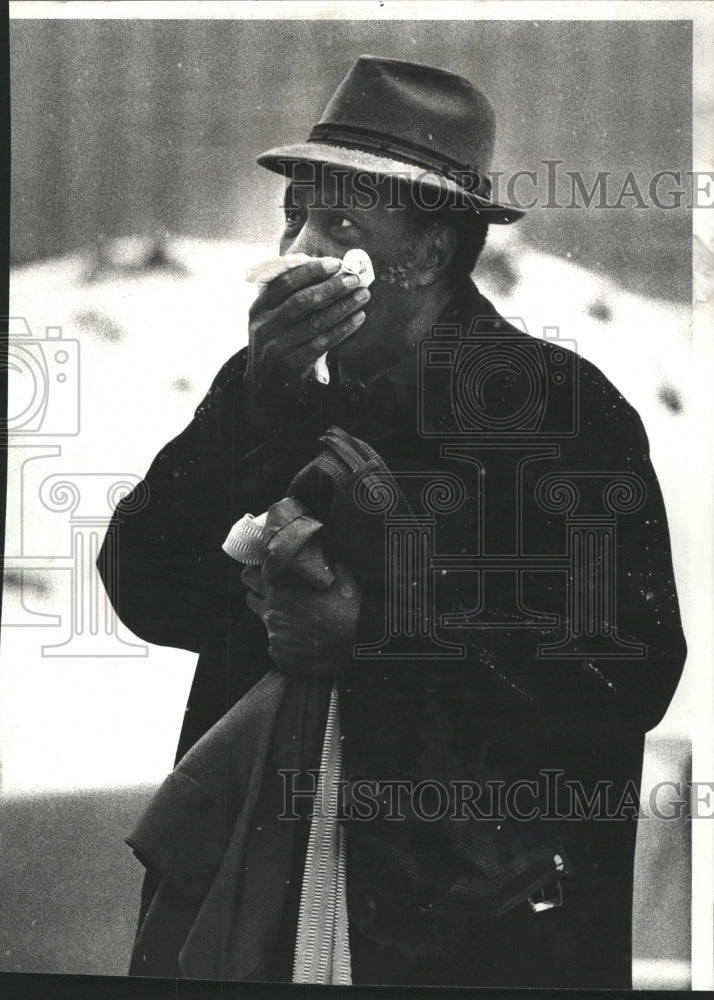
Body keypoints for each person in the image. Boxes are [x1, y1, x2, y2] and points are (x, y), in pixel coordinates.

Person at [99, 55, 686, 988]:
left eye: (340, 221)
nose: (297, 245)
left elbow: (628, 669)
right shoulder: (271, 387)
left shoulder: (557, 411)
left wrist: (376, 636)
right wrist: (251, 404)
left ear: (426, 254)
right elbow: (142, 588)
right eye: (294, 211)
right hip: (263, 901)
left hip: (468, 932)